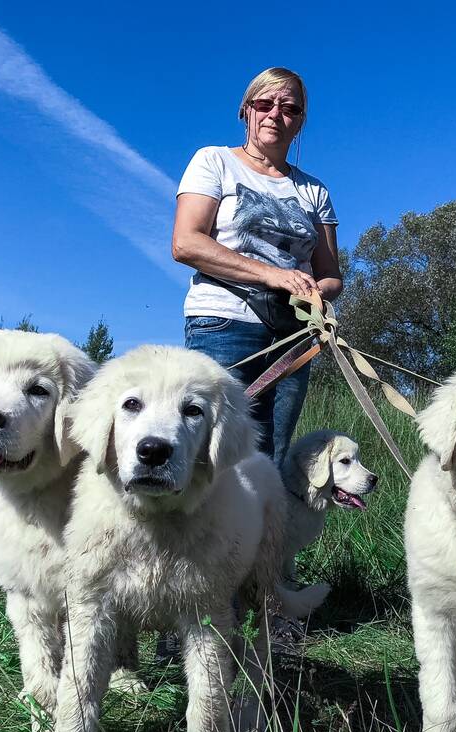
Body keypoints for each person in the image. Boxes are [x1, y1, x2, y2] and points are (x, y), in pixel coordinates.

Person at [172, 66, 342, 466]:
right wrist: (274, 275)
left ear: (300, 121)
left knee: (270, 456)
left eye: (289, 108)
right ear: (246, 110)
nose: (275, 114)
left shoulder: (314, 190)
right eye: (264, 104)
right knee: (209, 452)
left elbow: (332, 275)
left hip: (293, 335)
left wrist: (315, 292)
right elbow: (186, 243)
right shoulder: (214, 161)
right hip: (224, 322)